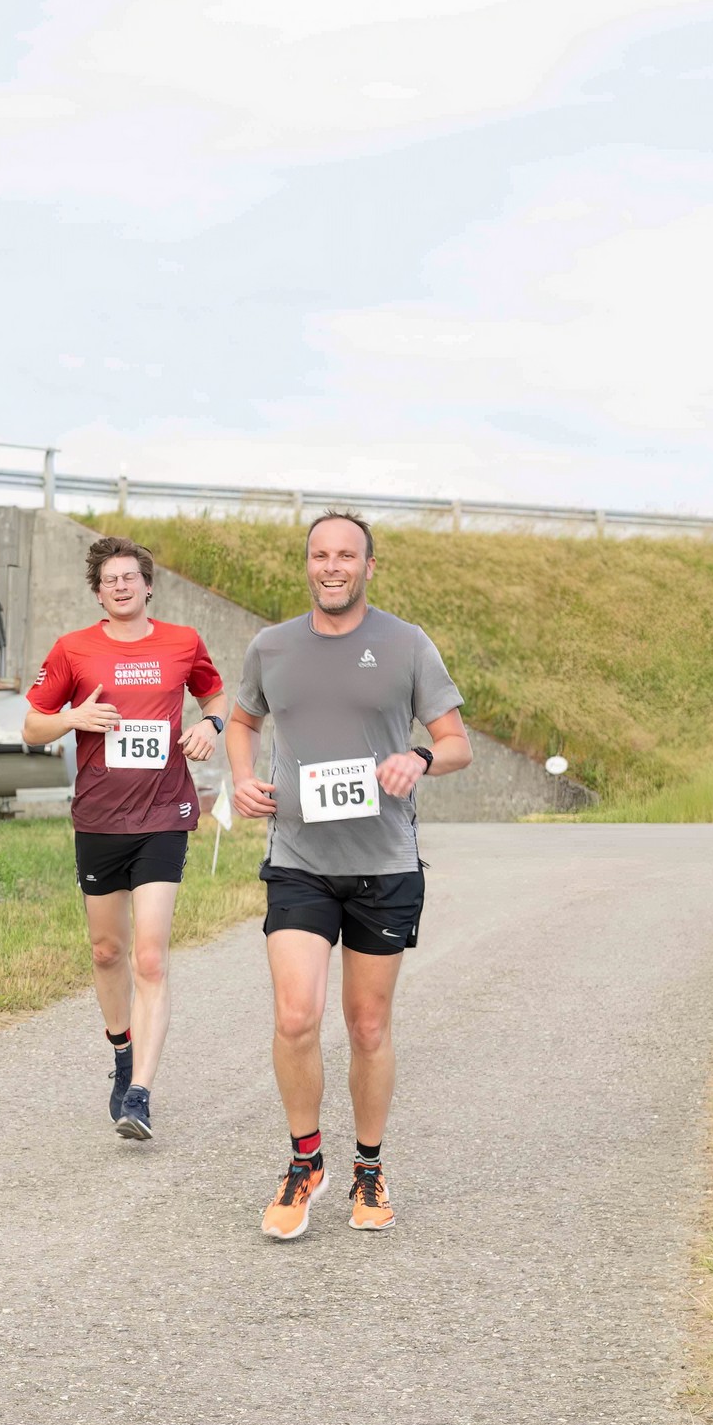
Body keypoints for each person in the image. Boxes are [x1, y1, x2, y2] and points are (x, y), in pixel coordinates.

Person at [226, 511, 471, 1239]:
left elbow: (456, 742)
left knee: (367, 1026)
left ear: (369, 566)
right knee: (295, 1016)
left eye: (345, 556)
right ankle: (305, 1163)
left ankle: (369, 1168)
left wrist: (419, 758)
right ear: (307, 564)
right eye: (319, 555)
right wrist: (242, 778)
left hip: (383, 865)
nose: (331, 567)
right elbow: (242, 721)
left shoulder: (406, 644)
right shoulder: (271, 646)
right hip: (299, 861)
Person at [23, 536, 227, 1141]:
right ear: (98, 591)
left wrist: (211, 725)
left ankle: (139, 1093)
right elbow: (32, 726)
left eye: (129, 576)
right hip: (99, 818)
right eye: (109, 579)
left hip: (164, 813)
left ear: (147, 585)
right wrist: (72, 718)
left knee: (149, 956)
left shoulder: (183, 642)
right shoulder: (73, 649)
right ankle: (122, 1051)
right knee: (106, 952)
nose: (120, 586)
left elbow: (215, 695)